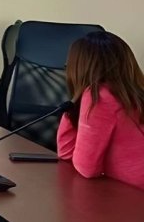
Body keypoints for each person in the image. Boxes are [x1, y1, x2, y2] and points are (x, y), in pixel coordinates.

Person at [56, 31, 144, 190]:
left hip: (133, 197)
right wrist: (74, 105)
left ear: (80, 69)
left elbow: (86, 168)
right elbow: (66, 153)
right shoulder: (134, 93)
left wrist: (77, 96)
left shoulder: (99, 97)